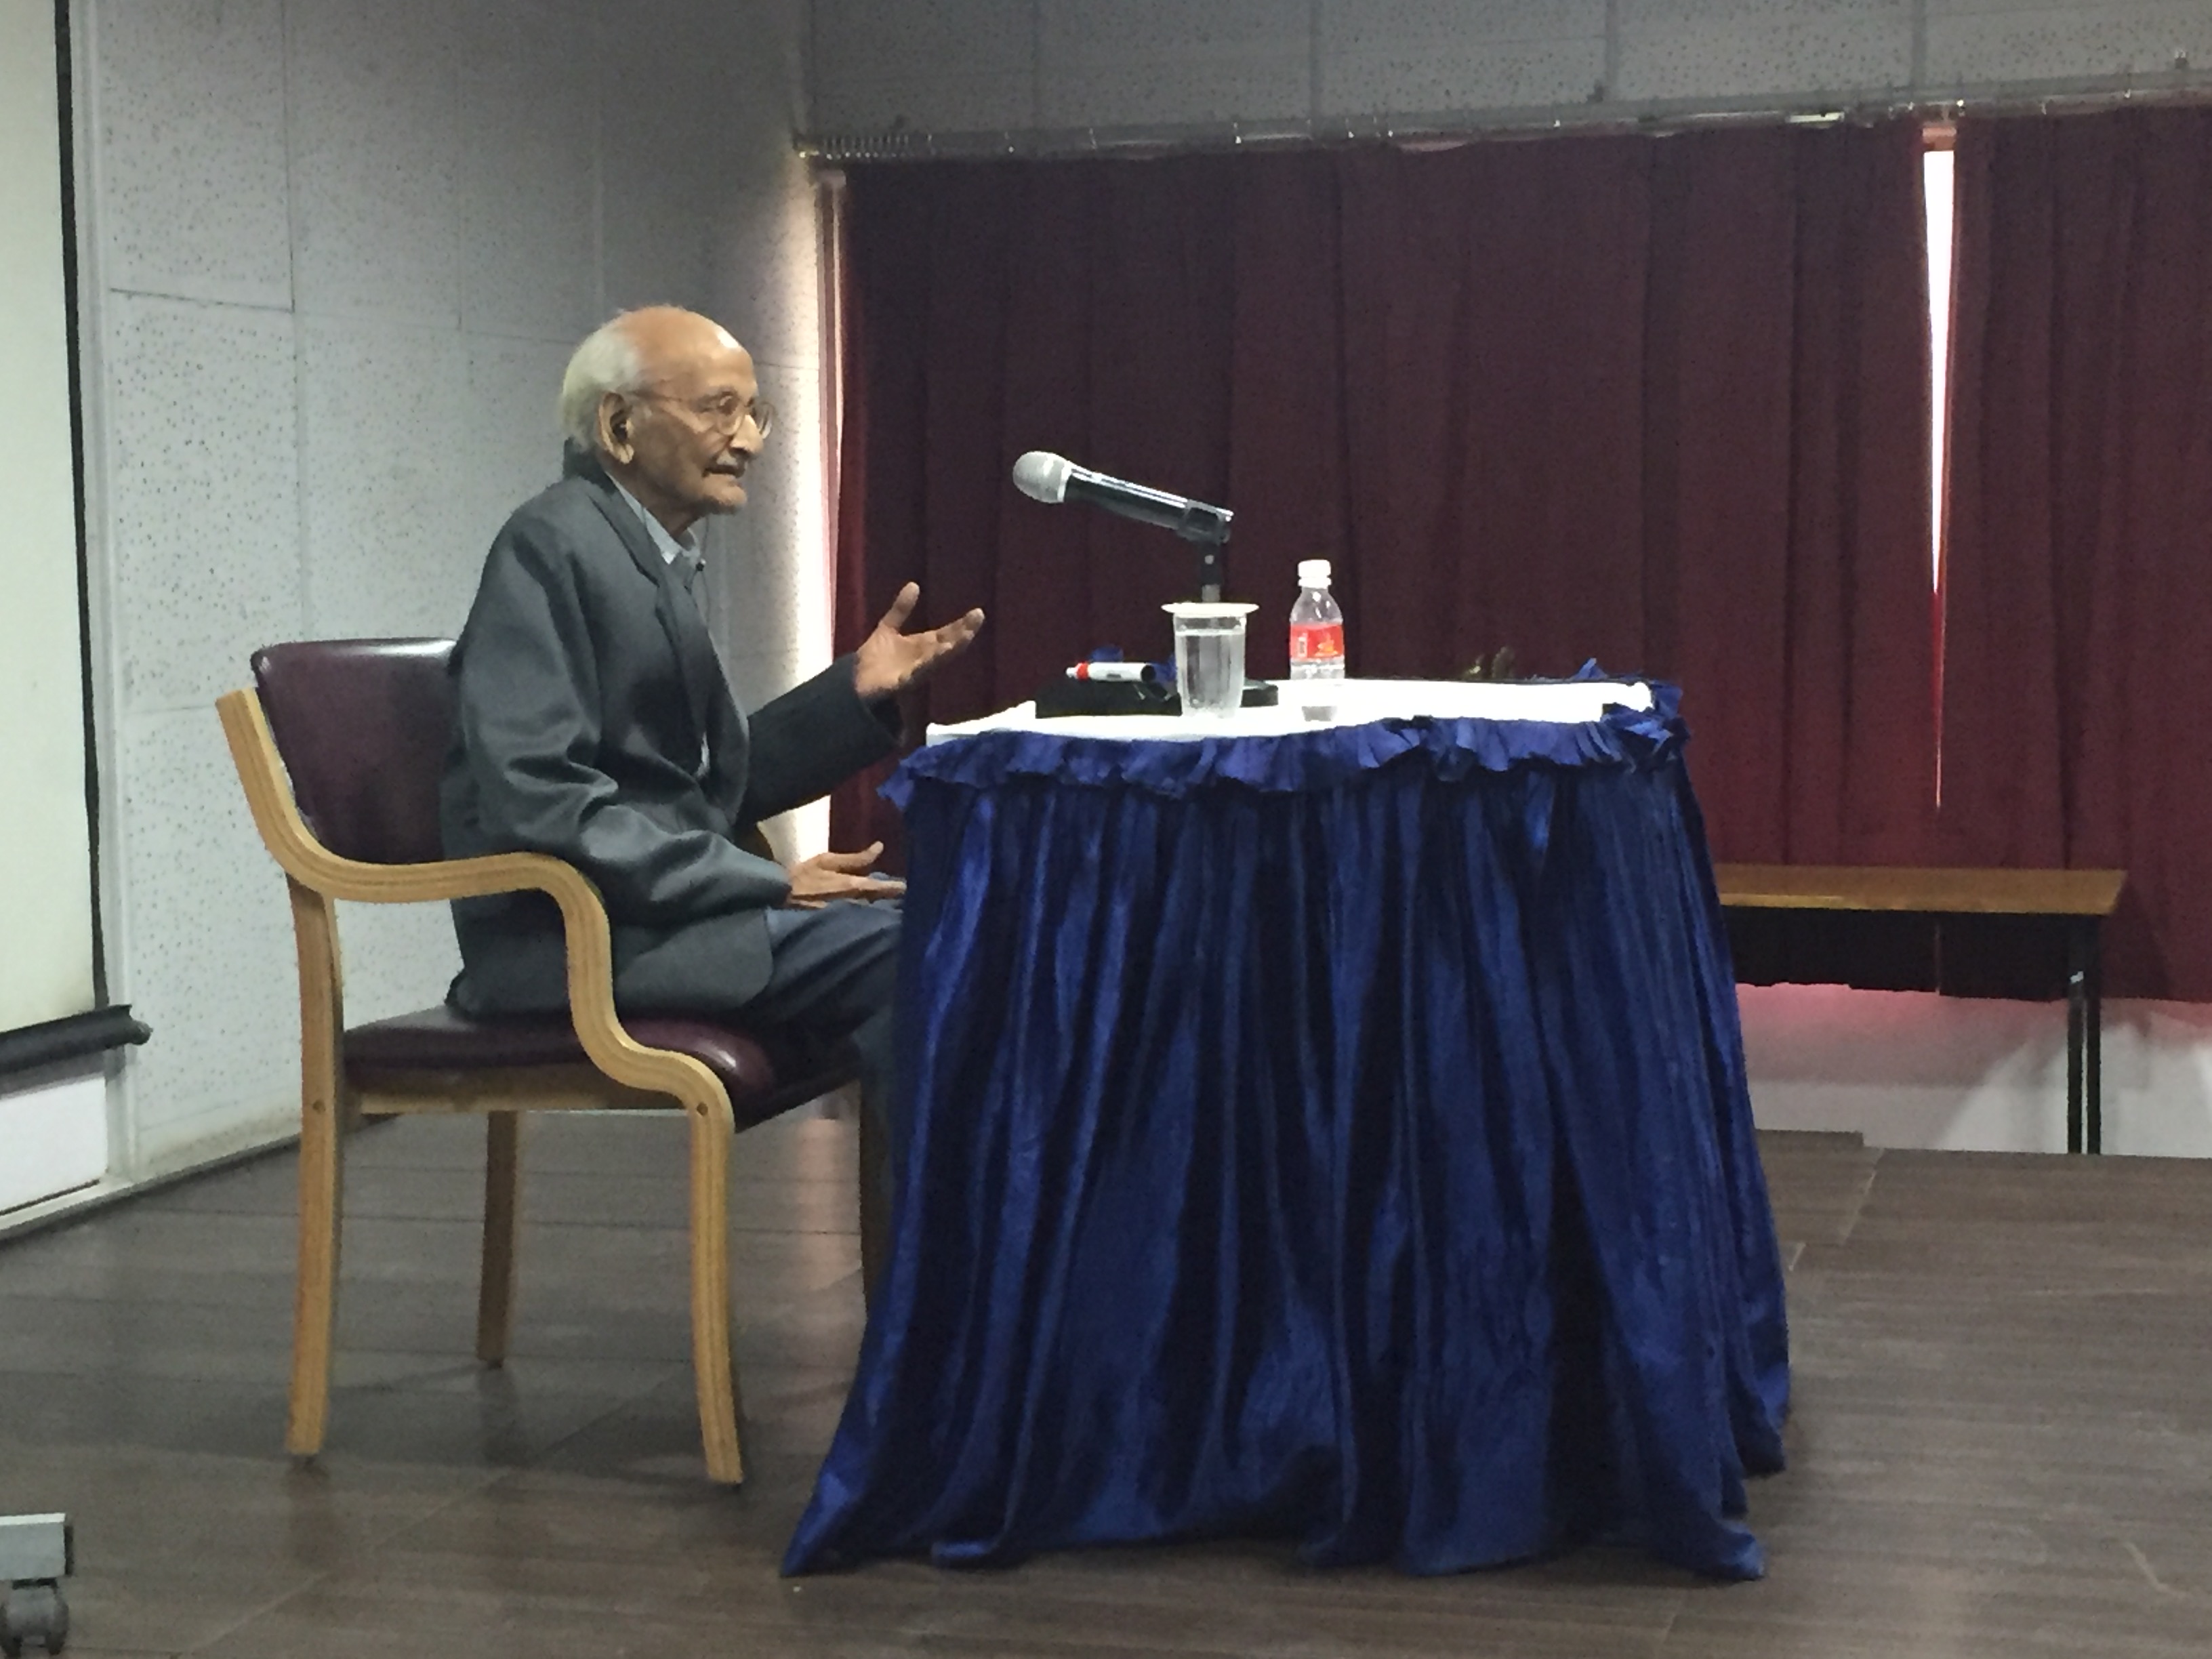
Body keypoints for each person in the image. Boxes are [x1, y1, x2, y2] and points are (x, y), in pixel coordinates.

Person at [440, 305, 983, 1251]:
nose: (751, 441)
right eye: (718, 409)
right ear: (619, 426)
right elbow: (544, 799)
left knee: (955, 927)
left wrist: (851, 693)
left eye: (755, 412)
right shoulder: (552, 545)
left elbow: (702, 790)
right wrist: (766, 881)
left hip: (657, 920)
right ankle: (942, 1299)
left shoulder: (641, 551)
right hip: (577, 942)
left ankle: (955, 1282)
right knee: (928, 950)